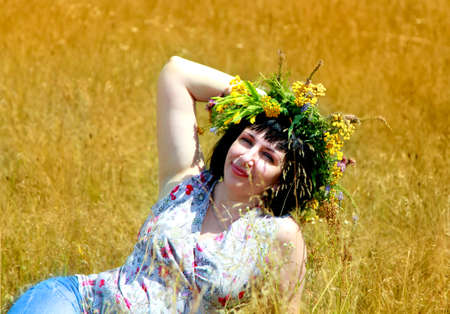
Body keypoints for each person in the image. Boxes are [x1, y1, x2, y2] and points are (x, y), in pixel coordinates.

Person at [9, 56, 356, 313]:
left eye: (269, 156)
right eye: (247, 140)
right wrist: (275, 106)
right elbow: (177, 72)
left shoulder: (279, 234)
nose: (249, 157)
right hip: (79, 302)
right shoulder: (186, 179)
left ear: (285, 178)